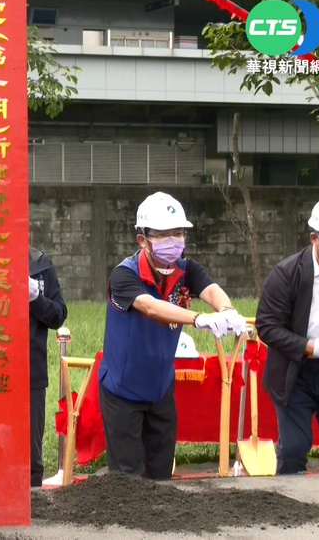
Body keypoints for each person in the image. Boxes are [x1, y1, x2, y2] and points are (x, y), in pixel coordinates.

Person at [100, 191, 245, 479]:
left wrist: (227, 310)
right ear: (142, 239)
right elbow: (152, 308)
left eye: (178, 234)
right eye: (164, 235)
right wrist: (198, 318)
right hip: (123, 391)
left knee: (161, 475)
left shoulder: (185, 269)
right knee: (128, 479)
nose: (173, 242)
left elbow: (211, 289)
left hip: (160, 389)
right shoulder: (124, 276)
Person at [256, 193, 319, 474]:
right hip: (296, 372)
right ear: (315, 239)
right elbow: (267, 326)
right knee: (295, 447)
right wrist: (315, 347)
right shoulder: (288, 275)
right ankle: (290, 510)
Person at [28, 246, 68, 488]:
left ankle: (33, 496)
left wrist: (36, 299)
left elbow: (59, 314)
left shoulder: (39, 265)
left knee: (31, 448)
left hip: (32, 368)